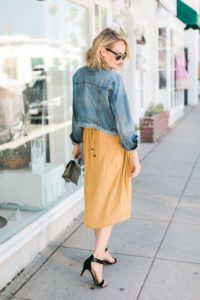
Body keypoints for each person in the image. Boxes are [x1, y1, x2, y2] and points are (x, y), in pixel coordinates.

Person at [70, 27, 141, 288]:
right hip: (111, 143)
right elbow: (124, 122)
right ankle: (96, 259)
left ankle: (104, 250)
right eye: (118, 55)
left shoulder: (79, 76)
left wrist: (77, 141)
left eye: (124, 57)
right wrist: (134, 154)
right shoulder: (112, 80)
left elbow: (76, 113)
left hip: (90, 142)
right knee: (110, 200)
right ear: (103, 51)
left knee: (99, 197)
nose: (121, 61)